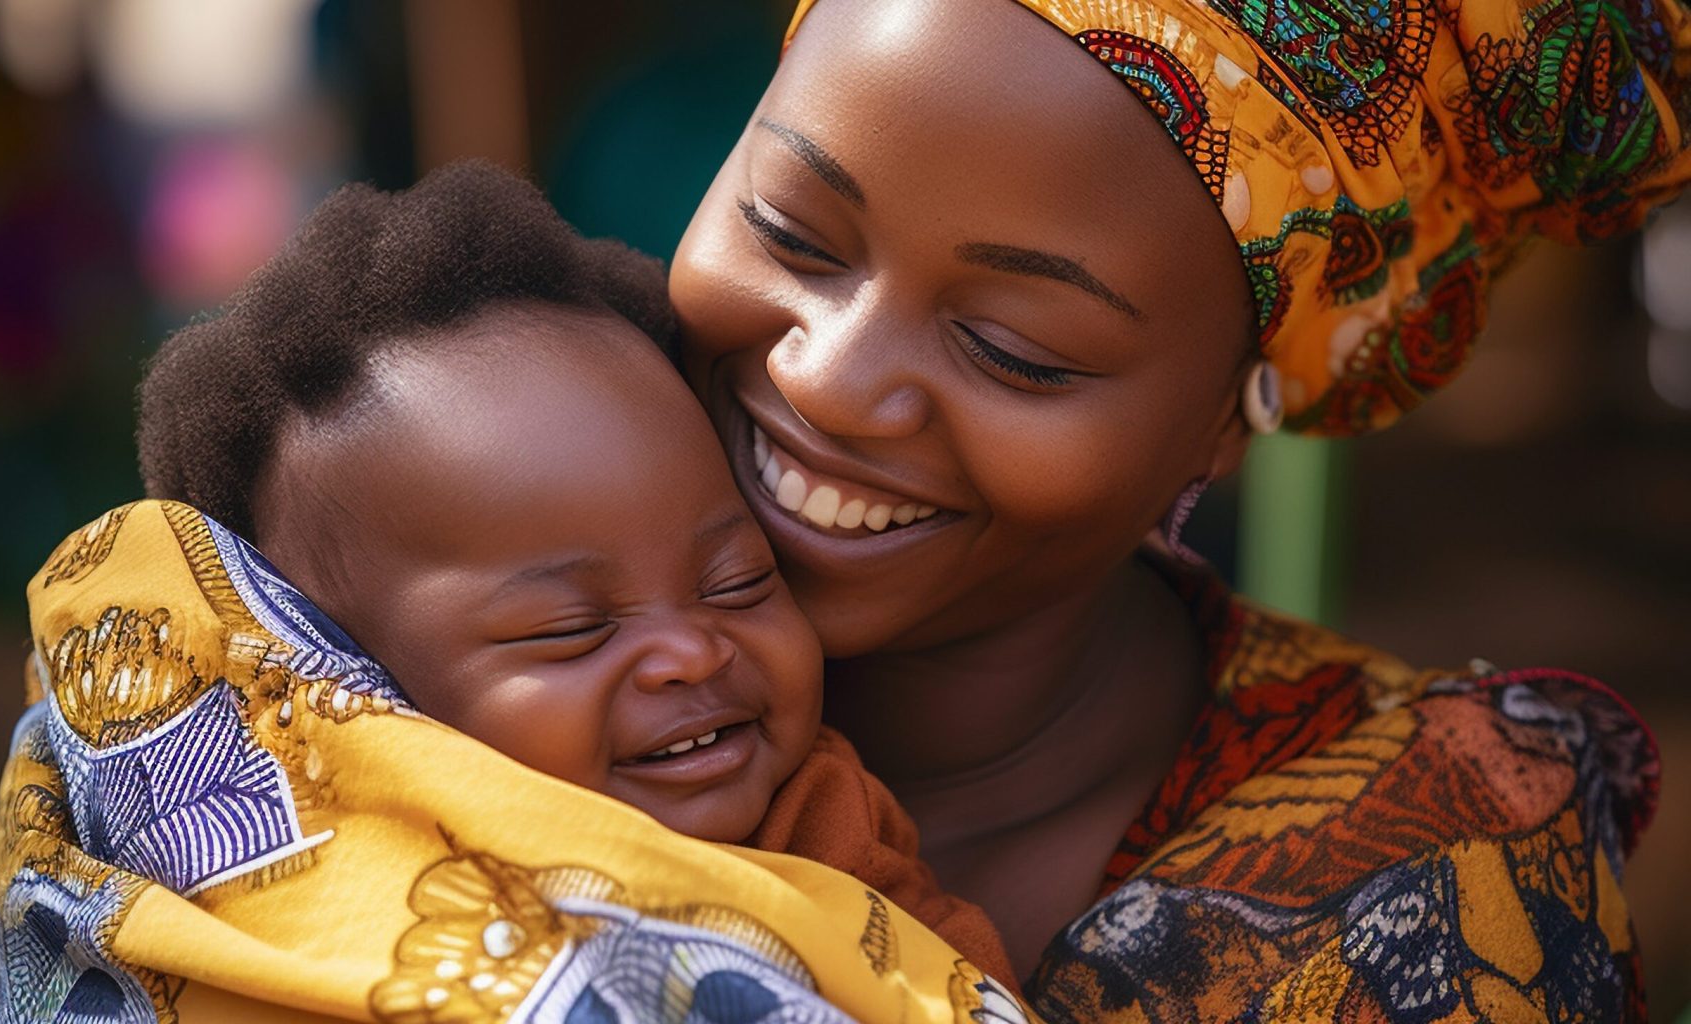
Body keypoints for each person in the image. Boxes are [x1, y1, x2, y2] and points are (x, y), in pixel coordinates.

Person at [668, 0, 1685, 1016]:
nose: (828, 379)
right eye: (789, 232)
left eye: (1016, 349)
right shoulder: (512, 589)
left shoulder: (1419, 910)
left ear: (1227, 419)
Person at [0, 163, 1021, 1022]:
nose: (692, 652)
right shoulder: (254, 882)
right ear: (353, 689)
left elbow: (950, 983)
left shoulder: (820, 817)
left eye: (739, 582)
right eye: (571, 630)